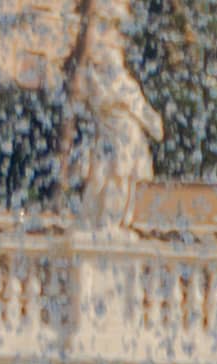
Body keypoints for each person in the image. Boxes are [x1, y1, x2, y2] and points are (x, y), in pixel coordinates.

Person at [61, 3, 159, 231]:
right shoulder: (101, 81)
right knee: (104, 175)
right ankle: (98, 221)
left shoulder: (126, 84)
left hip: (128, 135)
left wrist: (152, 121)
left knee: (121, 177)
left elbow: (143, 110)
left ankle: (111, 224)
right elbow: (99, 100)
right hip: (112, 134)